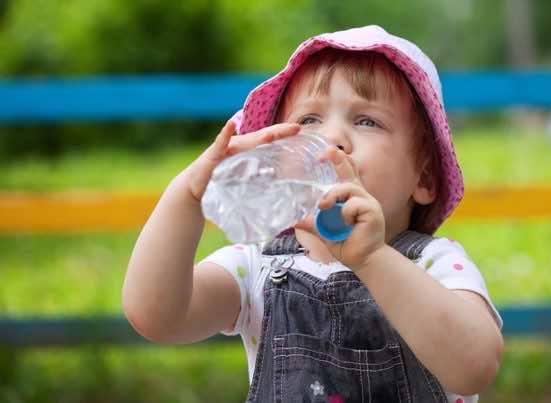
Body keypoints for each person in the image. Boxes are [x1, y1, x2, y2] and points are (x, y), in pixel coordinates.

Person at [123, 25, 503, 403]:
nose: (331, 138)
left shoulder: (435, 265)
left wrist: (372, 259)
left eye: (366, 121)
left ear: (423, 177)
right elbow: (156, 315)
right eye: (308, 121)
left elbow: (474, 367)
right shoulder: (255, 269)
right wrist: (187, 195)